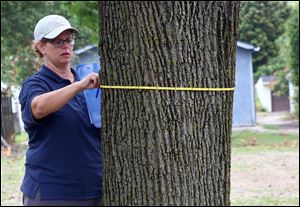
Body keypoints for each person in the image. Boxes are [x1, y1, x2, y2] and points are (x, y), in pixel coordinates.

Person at [18, 14, 103, 206]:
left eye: (69, 40)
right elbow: (38, 107)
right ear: (41, 46)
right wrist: (78, 86)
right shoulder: (35, 84)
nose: (66, 46)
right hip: (53, 193)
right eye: (57, 42)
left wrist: (81, 84)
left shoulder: (88, 82)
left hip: (96, 190)